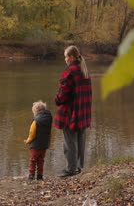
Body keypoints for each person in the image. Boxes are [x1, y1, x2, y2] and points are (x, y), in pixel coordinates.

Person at [54, 45, 92, 178]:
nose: (65, 59)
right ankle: (78, 167)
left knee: (69, 142)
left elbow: (62, 94)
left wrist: (56, 100)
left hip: (71, 113)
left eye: (66, 56)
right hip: (83, 113)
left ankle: (70, 169)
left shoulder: (70, 72)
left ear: (71, 57)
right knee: (80, 140)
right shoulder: (85, 71)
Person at [24, 100, 53, 180]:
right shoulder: (48, 120)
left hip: (35, 146)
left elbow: (32, 133)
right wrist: (49, 143)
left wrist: (28, 141)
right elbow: (49, 133)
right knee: (41, 160)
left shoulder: (36, 120)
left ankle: (31, 175)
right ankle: (40, 176)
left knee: (33, 160)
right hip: (44, 145)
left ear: (36, 111)